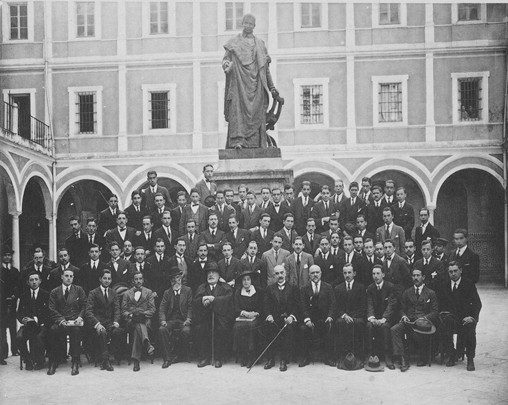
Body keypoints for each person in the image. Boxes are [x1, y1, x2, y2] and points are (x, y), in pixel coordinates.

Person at [222, 13, 279, 149]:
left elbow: (265, 70)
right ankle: (238, 141)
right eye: (246, 23)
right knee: (237, 111)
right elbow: (226, 59)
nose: (248, 26)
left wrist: (271, 87)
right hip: (238, 84)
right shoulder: (234, 42)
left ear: (254, 26)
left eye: (251, 24)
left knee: (257, 113)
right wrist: (226, 65)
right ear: (242, 24)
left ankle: (258, 143)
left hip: (257, 86)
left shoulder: (260, 44)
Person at [391, 268, 439, 371]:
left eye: (418, 275)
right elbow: (401, 309)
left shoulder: (430, 293)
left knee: (416, 333)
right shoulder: (407, 292)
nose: (415, 278)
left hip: (423, 324)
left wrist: (424, 318)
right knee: (394, 329)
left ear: (423, 277)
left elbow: (435, 311)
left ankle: (422, 356)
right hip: (409, 322)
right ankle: (403, 358)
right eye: (413, 276)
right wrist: (403, 315)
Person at [438, 261, 482, 371]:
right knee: (444, 326)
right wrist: (443, 315)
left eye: (455, 271)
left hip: (465, 317)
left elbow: (477, 303)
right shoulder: (445, 284)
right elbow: (440, 303)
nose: (453, 274)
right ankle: (451, 354)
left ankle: (470, 359)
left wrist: (472, 317)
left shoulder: (468, 284)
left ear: (461, 270)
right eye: (450, 272)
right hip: (451, 318)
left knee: (470, 328)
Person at [47, 267, 86, 375]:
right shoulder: (55, 291)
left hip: (74, 321)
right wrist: (60, 320)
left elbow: (84, 306)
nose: (68, 278)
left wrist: (80, 317)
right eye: (66, 276)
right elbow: (51, 308)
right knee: (53, 330)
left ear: (73, 278)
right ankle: (54, 361)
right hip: (61, 321)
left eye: (71, 276)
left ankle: (75, 360)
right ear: (62, 277)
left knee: (76, 331)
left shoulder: (79, 290)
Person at [193, 263, 233, 368]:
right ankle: (205, 357)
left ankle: (218, 358)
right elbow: (196, 301)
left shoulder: (225, 287)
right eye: (209, 273)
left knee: (221, 329)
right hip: (205, 317)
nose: (211, 275)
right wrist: (202, 300)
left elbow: (228, 300)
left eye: (213, 272)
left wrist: (214, 300)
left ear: (219, 275)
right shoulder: (202, 287)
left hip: (220, 317)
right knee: (201, 328)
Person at [85, 269, 125, 371]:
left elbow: (117, 309)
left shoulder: (113, 293)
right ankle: (105, 361)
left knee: (118, 332)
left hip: (110, 323)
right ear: (100, 279)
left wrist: (116, 321)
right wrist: (97, 324)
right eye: (105, 278)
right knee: (102, 332)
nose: (107, 281)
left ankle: (108, 353)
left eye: (109, 279)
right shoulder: (93, 293)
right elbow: (88, 312)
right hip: (97, 323)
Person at [263, 265, 300, 372]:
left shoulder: (293, 287)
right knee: (268, 328)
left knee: (288, 331)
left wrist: (292, 316)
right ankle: (270, 359)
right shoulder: (269, 288)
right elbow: (266, 305)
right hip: (274, 319)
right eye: (277, 273)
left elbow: (297, 305)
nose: (280, 275)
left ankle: (284, 360)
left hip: (288, 319)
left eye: (281, 273)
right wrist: (269, 315)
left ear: (285, 273)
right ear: (274, 275)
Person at [299, 265, 335, 367]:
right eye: (312, 273)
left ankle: (327, 357)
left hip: (324, 318)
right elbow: (303, 306)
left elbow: (333, 304)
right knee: (303, 329)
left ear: (321, 273)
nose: (315, 275)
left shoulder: (328, 287)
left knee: (329, 327)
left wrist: (330, 316)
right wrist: (307, 319)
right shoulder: (304, 288)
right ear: (309, 275)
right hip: (310, 319)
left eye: (317, 272)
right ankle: (306, 357)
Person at [121, 272, 156, 372]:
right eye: (136, 279)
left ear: (143, 280)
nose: (138, 281)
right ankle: (147, 344)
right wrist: (131, 315)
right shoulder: (127, 293)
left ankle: (136, 360)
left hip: (145, 319)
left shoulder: (148, 292)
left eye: (140, 279)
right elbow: (123, 310)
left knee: (138, 327)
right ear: (133, 281)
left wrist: (143, 314)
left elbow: (152, 309)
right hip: (131, 320)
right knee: (137, 324)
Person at [159, 267, 193, 368]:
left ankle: (180, 354)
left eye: (178, 278)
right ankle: (167, 358)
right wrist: (163, 320)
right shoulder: (167, 292)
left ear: (181, 279)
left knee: (186, 331)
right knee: (162, 330)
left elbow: (191, 307)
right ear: (170, 281)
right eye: (173, 279)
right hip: (171, 320)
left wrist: (188, 319)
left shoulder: (187, 290)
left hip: (183, 320)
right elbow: (162, 308)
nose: (176, 281)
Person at [366, 265, 397, 369]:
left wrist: (384, 318)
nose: (375, 276)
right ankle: (370, 355)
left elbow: (391, 305)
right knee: (369, 326)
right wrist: (372, 318)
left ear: (383, 274)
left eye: (378, 273)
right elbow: (369, 304)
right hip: (375, 317)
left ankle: (388, 356)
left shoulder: (390, 287)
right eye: (373, 274)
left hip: (387, 318)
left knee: (385, 327)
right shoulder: (370, 288)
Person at [335, 263, 366, 369]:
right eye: (345, 273)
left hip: (356, 316)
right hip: (344, 316)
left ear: (354, 273)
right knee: (339, 322)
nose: (347, 275)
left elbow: (363, 306)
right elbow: (337, 306)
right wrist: (344, 315)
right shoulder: (338, 288)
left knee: (359, 323)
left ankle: (358, 357)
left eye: (349, 272)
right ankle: (342, 357)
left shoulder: (361, 287)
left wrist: (352, 317)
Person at [16, 271, 49, 370]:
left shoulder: (46, 294)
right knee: (19, 338)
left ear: (40, 281)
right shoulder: (23, 295)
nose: (34, 282)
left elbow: (48, 313)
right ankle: (28, 359)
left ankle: (39, 361)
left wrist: (35, 319)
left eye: (36, 279)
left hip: (41, 325)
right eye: (31, 280)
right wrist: (23, 319)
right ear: (27, 282)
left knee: (38, 337)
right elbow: (19, 312)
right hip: (28, 325)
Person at [233, 270, 263, 367]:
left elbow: (262, 306)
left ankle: (252, 356)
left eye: (248, 279)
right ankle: (243, 355)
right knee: (238, 327)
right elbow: (236, 308)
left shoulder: (258, 291)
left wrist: (256, 313)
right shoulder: (238, 292)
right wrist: (244, 313)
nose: (246, 282)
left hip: (256, 318)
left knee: (252, 327)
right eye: (244, 280)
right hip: (243, 317)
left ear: (251, 281)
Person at [1, 247, 20, 362]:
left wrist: (14, 295)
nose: (7, 257)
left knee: (13, 326)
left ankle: (15, 349)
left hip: (12, 302)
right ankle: (3, 352)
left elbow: (18, 286)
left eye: (9, 255)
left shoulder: (15, 271)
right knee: (2, 328)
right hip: (2, 303)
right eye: (5, 255)